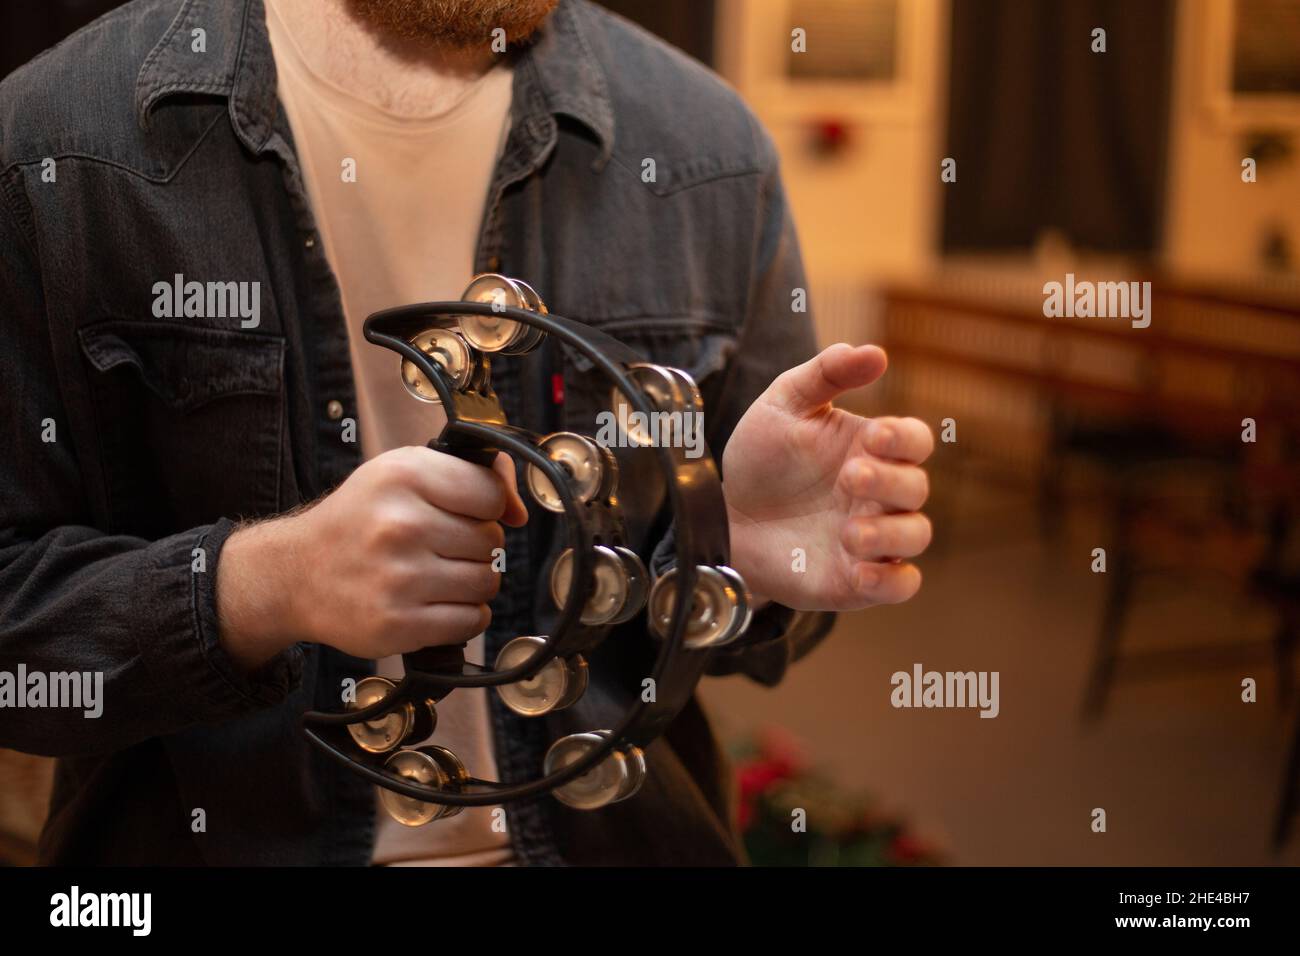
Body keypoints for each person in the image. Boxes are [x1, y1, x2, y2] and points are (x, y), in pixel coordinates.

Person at [0, 0, 933, 865]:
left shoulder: (708, 151)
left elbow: (738, 621)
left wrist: (732, 558)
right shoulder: (57, 143)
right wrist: (260, 588)